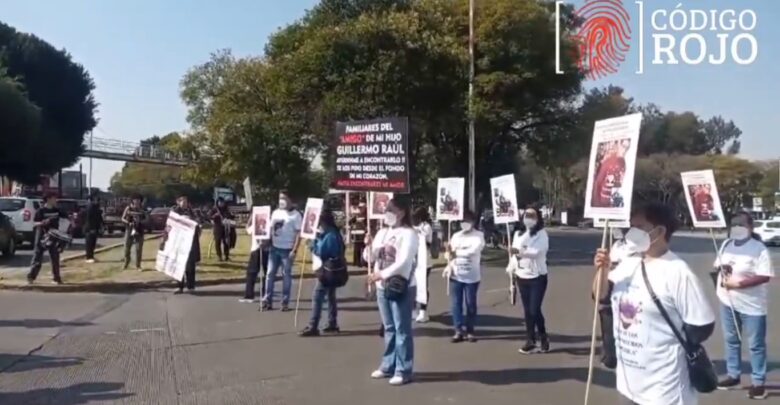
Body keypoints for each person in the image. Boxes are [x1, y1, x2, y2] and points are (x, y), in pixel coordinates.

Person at [593, 202, 716, 405]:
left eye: (639, 227)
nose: (631, 233)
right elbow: (600, 296)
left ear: (659, 231)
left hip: (665, 390)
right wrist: (602, 270)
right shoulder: (628, 264)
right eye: (630, 227)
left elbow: (700, 327)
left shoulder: (678, 272)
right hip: (629, 384)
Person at [714, 212, 774, 400]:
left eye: (742, 224)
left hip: (752, 305)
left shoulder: (759, 249)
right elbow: (719, 265)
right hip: (728, 301)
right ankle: (733, 375)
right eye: (734, 224)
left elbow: (764, 275)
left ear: (750, 227)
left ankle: (758, 383)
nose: (737, 227)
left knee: (755, 344)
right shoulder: (726, 245)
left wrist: (739, 284)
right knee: (731, 339)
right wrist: (721, 270)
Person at [365, 198, 419, 386]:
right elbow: (369, 257)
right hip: (382, 287)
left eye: (391, 210)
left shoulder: (409, 234)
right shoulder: (382, 232)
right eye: (386, 210)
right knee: (388, 328)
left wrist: (381, 274)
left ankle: (403, 370)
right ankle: (388, 365)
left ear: (402, 212)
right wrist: (369, 246)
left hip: (400, 286)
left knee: (401, 329)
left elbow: (403, 261)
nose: (387, 213)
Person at [509, 207, 550, 354]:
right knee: (528, 311)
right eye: (526, 215)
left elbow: (537, 252)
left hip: (537, 277)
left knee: (534, 309)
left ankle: (543, 336)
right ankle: (531, 340)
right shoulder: (518, 234)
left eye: (532, 215)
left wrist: (519, 251)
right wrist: (512, 269)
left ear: (538, 218)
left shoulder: (541, 234)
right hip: (522, 276)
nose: (529, 218)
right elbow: (514, 255)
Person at [300, 210, 345, 336]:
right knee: (331, 296)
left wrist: (311, 244)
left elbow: (322, 251)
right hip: (330, 270)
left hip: (327, 271)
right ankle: (332, 322)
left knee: (317, 296)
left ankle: (313, 325)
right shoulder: (331, 233)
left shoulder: (330, 235)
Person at [444, 211, 485, 343]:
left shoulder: (479, 236)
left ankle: (470, 330)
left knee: (470, 304)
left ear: (473, 222)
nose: (465, 224)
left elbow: (473, 251)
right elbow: (448, 255)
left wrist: (457, 252)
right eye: (463, 221)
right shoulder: (455, 236)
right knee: (456, 304)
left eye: (468, 221)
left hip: (472, 276)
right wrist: (448, 252)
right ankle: (458, 330)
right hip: (456, 275)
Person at [262, 190, 302, 311]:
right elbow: (269, 229)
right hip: (274, 248)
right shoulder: (275, 213)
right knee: (269, 274)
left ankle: (285, 302)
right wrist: (265, 241)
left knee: (286, 276)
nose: (281, 201)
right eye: (280, 198)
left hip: (287, 250)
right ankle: (267, 300)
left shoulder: (296, 215)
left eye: (284, 198)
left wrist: (294, 250)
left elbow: (299, 234)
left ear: (290, 200)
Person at [27, 193, 66, 285]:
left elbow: (66, 218)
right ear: (48, 199)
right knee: (37, 257)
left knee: (55, 258)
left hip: (54, 237)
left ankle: (56, 278)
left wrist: (71, 221)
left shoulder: (57, 210)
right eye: (54, 198)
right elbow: (34, 223)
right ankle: (31, 277)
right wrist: (43, 223)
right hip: (42, 236)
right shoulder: (40, 211)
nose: (56, 200)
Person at [173, 196, 201, 294]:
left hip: (190, 241)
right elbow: (171, 224)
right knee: (179, 265)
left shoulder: (191, 211)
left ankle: (191, 286)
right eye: (182, 202)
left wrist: (194, 222)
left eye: (186, 202)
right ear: (178, 202)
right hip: (179, 241)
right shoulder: (175, 212)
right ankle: (179, 286)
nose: (185, 204)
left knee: (190, 265)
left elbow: (197, 221)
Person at [241, 212, 269, 303]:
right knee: (264, 273)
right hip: (261, 250)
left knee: (252, 273)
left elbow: (247, 228)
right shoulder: (257, 225)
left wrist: (251, 218)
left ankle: (251, 295)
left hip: (258, 250)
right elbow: (247, 229)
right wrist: (252, 218)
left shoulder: (265, 225)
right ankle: (264, 294)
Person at [412, 207, 434, 323]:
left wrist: (418, 232)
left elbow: (428, 241)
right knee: (413, 286)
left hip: (425, 262)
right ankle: (414, 309)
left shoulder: (427, 227)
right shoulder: (412, 227)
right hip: (414, 261)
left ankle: (423, 312)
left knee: (423, 286)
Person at [122, 195, 147, 270]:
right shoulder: (128, 208)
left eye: (138, 200)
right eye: (135, 199)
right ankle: (126, 262)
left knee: (138, 249)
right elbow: (122, 218)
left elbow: (147, 219)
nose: (136, 201)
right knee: (126, 247)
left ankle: (138, 265)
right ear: (132, 200)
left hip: (139, 231)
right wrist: (128, 222)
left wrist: (141, 222)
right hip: (129, 230)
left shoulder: (143, 209)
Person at [209, 197, 235, 262]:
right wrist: (214, 216)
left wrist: (231, 216)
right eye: (219, 202)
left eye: (222, 202)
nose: (221, 203)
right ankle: (219, 256)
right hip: (217, 227)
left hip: (225, 227)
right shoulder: (214, 209)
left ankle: (226, 256)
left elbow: (231, 216)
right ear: (217, 203)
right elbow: (209, 217)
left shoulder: (226, 209)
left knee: (226, 242)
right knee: (217, 242)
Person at [84, 194, 103, 264]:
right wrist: (91, 228)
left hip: (96, 228)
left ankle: (91, 256)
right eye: (96, 199)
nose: (97, 201)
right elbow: (88, 219)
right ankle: (88, 257)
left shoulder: (96, 207)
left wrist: (101, 226)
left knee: (93, 243)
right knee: (89, 243)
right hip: (90, 228)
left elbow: (99, 218)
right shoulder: (90, 207)